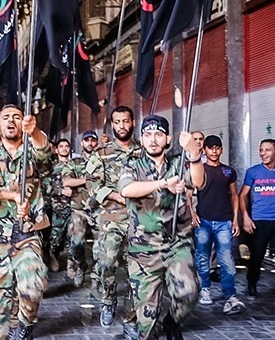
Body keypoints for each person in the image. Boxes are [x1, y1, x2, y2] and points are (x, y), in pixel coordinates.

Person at [0, 104, 51, 340]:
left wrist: (34, 132)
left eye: (17, 117)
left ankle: (25, 324)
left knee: (33, 286)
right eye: (6, 118)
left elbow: (46, 156)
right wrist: (9, 195)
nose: (12, 121)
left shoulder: (31, 150)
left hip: (27, 233)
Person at [118, 115, 204, 340]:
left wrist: (194, 153)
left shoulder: (179, 163)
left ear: (168, 139)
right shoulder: (132, 164)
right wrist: (165, 183)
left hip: (177, 242)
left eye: (158, 134)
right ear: (142, 139)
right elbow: (126, 189)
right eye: (147, 135)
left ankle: (172, 321)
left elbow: (198, 181)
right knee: (147, 324)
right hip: (143, 249)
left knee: (189, 293)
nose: (153, 139)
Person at [87, 106, 143, 332]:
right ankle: (108, 299)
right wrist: (115, 196)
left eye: (125, 121)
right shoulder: (101, 153)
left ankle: (133, 314)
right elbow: (92, 184)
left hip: (139, 219)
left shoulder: (144, 151)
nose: (121, 126)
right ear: (112, 124)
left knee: (137, 269)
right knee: (106, 262)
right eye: (117, 122)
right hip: (111, 217)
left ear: (133, 122)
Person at [240, 138, 275, 314]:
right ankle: (251, 282)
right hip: (259, 222)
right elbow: (242, 196)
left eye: (267, 150)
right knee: (256, 257)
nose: (263, 153)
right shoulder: (253, 172)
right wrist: (246, 218)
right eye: (261, 150)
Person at [191, 135, 245, 315]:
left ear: (221, 150)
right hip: (203, 220)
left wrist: (235, 219)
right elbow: (188, 193)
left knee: (226, 259)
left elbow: (234, 195)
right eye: (210, 147)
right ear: (204, 150)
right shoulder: (199, 169)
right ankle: (204, 289)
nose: (214, 151)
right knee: (202, 256)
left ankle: (230, 295)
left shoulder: (228, 171)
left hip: (224, 221)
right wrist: (192, 213)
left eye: (217, 147)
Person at [61, 130, 101, 287]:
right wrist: (86, 180)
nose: (90, 143)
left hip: (99, 209)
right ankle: (81, 265)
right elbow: (67, 181)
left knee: (100, 247)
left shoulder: (101, 161)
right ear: (82, 143)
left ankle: (97, 274)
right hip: (79, 209)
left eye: (93, 140)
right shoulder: (74, 163)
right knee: (76, 243)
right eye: (87, 140)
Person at [46, 139, 72, 273]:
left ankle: (72, 263)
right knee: (55, 235)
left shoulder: (75, 165)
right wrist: (61, 191)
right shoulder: (51, 167)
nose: (64, 148)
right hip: (58, 207)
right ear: (56, 150)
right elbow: (45, 186)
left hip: (74, 206)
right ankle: (52, 255)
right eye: (61, 146)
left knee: (73, 236)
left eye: (67, 146)